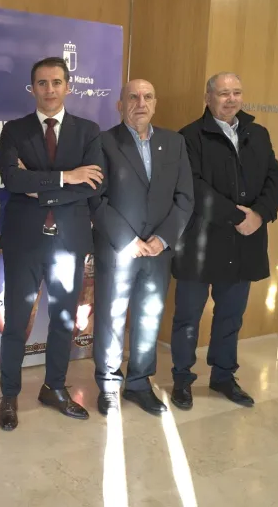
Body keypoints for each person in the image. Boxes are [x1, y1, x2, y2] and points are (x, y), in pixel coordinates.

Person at [0, 57, 104, 429]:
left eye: (56, 82)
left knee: (63, 321)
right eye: (42, 83)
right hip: (24, 241)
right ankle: (9, 395)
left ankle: (54, 388)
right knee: (15, 322)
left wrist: (41, 186)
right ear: (33, 89)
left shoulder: (88, 131)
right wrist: (66, 177)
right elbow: (12, 180)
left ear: (68, 86)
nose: (50, 89)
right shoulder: (15, 130)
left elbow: (93, 185)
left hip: (69, 241)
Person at [170, 72, 278, 410]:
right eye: (223, 93)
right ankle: (182, 379)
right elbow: (194, 187)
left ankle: (223, 376)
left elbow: (275, 177)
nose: (231, 99)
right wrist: (237, 217)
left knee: (231, 316)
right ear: (208, 98)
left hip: (243, 243)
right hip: (200, 243)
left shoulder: (257, 133)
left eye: (236, 92)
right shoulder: (189, 136)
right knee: (187, 317)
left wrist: (260, 214)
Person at [90, 79, 193, 416]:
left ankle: (138, 384)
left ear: (155, 103)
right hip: (118, 249)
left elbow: (185, 198)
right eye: (132, 97)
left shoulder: (174, 142)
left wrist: (162, 239)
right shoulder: (103, 142)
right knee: (111, 317)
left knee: (149, 317)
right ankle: (108, 384)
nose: (141, 103)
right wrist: (129, 240)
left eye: (147, 97)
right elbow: (96, 198)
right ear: (120, 105)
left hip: (158, 251)